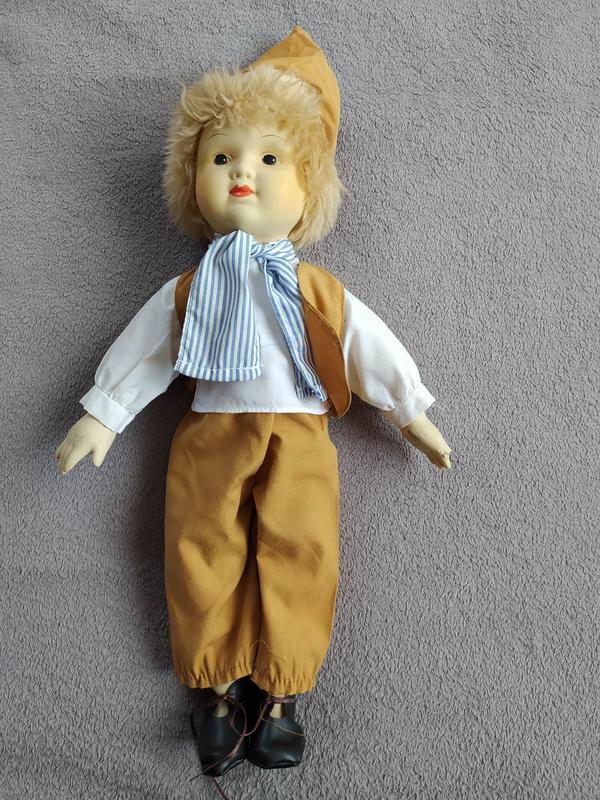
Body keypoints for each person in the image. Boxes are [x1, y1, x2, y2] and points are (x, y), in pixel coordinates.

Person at [55, 25, 452, 778]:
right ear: (192, 183)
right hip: (210, 433)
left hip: (300, 437)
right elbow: (148, 348)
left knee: (301, 550)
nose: (243, 171)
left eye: (270, 159)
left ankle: (280, 697)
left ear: (308, 187)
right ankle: (213, 694)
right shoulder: (190, 289)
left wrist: (411, 412)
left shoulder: (316, 289)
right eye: (221, 158)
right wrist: (103, 413)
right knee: (201, 551)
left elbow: (366, 344)